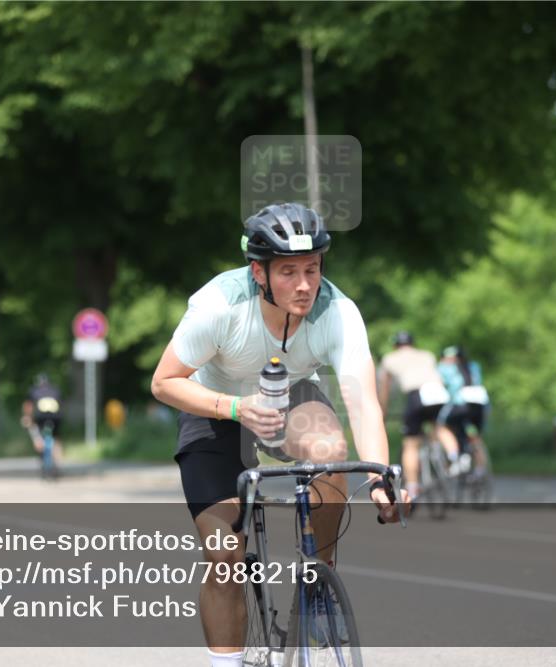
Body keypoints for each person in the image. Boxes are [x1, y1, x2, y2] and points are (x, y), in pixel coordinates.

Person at [150, 202, 409, 667]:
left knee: (330, 451)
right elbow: (164, 381)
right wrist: (234, 407)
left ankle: (317, 579)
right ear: (259, 272)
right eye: (288, 271)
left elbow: (364, 402)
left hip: (290, 398)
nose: (305, 284)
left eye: (312, 268)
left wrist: (379, 481)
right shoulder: (218, 305)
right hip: (214, 407)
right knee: (225, 555)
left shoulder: (338, 311)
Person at [377, 331, 459, 499]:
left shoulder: (389, 359)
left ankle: (413, 487)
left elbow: (385, 390)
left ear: (395, 345)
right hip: (438, 392)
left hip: (417, 395)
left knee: (411, 444)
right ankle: (455, 457)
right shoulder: (427, 355)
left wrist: (382, 413)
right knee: (439, 427)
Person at [438, 345, 489, 476]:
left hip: (460, 404)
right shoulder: (474, 366)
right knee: (474, 435)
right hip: (479, 405)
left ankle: (454, 456)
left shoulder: (445, 368)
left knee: (442, 427)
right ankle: (479, 469)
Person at [21, 374, 64, 469]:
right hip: (56, 419)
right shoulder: (55, 390)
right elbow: (61, 406)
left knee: (33, 428)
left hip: (40, 419)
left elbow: (28, 406)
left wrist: (27, 417)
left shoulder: (34, 391)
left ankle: (38, 443)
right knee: (56, 438)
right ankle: (57, 461)